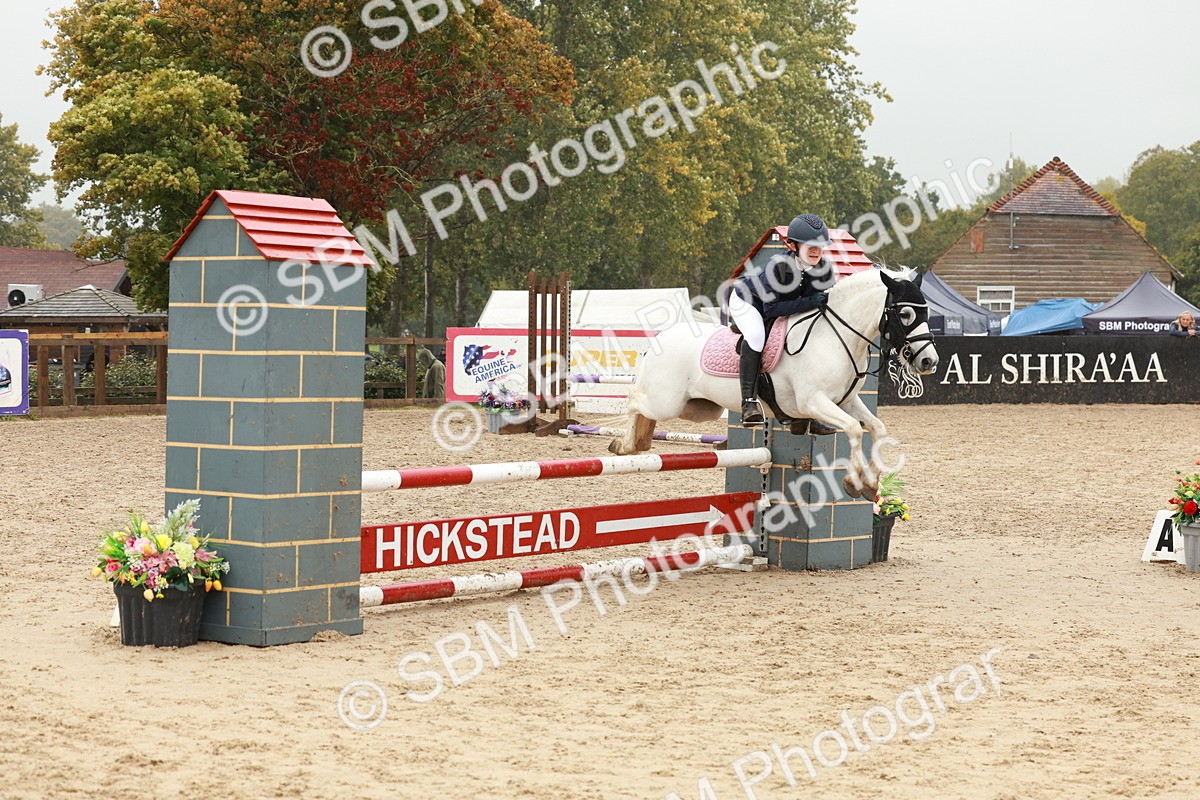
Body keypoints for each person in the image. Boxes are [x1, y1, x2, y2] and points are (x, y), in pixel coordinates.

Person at [727, 213, 836, 425]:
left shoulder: (824, 269)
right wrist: (812, 302)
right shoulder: (778, 265)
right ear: (792, 245)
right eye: (809, 245)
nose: (816, 250)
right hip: (748, 302)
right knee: (757, 336)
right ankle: (748, 403)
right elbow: (771, 309)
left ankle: (800, 416)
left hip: (781, 304)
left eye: (820, 245)